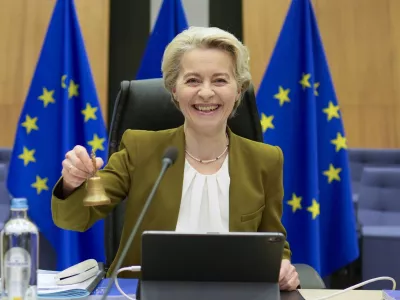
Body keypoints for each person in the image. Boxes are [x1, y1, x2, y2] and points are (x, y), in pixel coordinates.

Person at [51, 26, 300, 291]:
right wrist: (71, 183)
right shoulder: (140, 148)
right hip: (143, 294)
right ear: (173, 90)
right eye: (192, 80)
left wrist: (282, 266)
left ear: (238, 90)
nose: (206, 93)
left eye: (220, 80)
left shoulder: (266, 160)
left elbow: (272, 241)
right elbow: (75, 219)